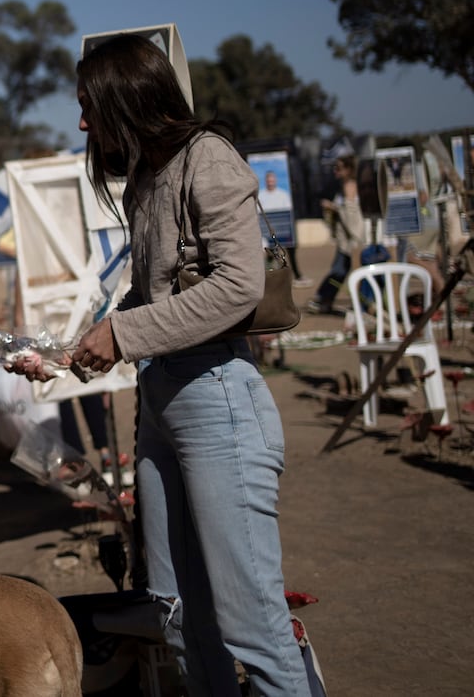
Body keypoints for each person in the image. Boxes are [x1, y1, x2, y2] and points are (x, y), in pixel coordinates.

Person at [27, 34, 310, 695]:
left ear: (128, 98)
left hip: (218, 400)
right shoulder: (148, 177)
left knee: (251, 622)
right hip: (163, 402)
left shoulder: (208, 159)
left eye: (89, 104)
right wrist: (75, 352)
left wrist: (123, 333)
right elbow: (150, 296)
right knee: (177, 611)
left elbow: (239, 285)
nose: (82, 121)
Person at [307, 154, 363, 315]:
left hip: (350, 239)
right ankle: (325, 300)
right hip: (345, 238)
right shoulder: (344, 185)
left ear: (348, 169)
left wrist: (333, 207)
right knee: (340, 270)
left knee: (338, 270)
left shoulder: (349, 186)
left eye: (338, 168)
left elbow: (351, 214)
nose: (334, 171)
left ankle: (324, 299)